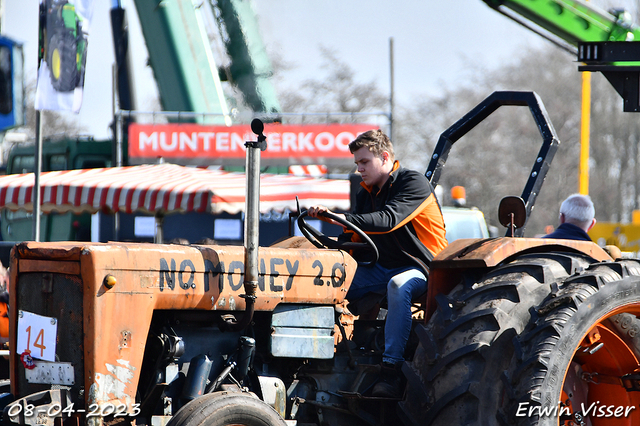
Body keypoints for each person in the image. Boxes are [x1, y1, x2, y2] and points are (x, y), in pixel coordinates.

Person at [307, 129, 448, 397]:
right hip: (381, 266)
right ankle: (325, 352)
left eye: (364, 162)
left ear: (384, 157)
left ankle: (391, 369)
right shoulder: (366, 192)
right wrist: (328, 243)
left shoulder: (413, 183)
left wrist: (338, 217)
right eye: (357, 163)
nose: (359, 169)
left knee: (398, 286)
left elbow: (387, 220)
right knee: (327, 282)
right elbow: (351, 236)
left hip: (423, 268)